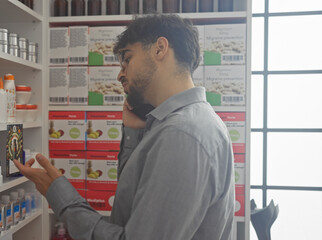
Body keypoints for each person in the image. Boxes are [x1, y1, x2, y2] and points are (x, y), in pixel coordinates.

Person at [14, 14, 235, 240]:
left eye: (127, 59)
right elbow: (132, 207)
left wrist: (60, 196)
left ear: (160, 48)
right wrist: (135, 133)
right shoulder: (178, 124)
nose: (120, 74)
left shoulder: (182, 134)